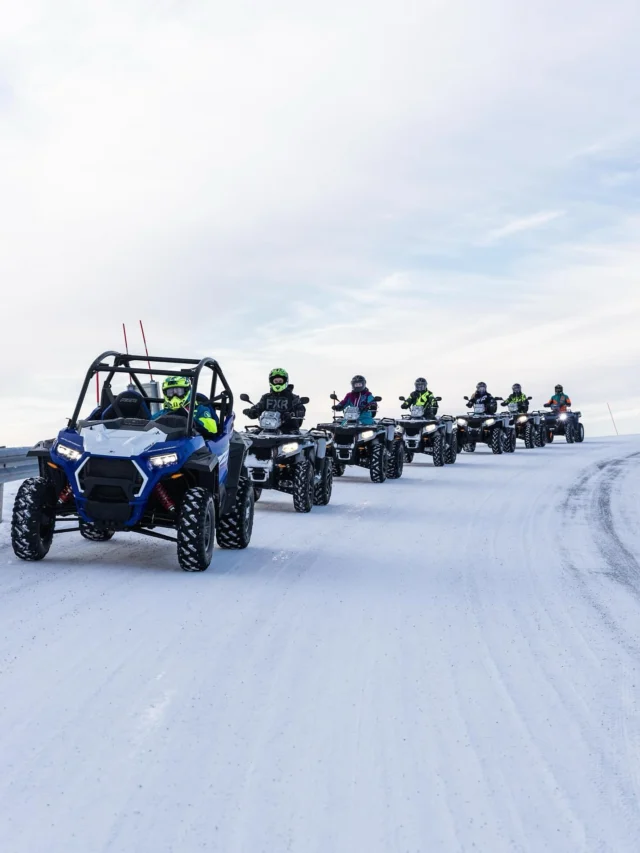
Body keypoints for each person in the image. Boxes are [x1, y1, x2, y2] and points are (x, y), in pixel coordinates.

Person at [243, 368, 306, 432]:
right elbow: (259, 407)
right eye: (275, 381)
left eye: (280, 381)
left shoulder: (293, 398)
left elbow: (301, 410)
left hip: (289, 431)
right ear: (271, 382)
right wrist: (252, 412)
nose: (278, 383)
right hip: (267, 431)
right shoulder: (266, 397)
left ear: (285, 381)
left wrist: (291, 414)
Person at [153, 375, 218, 436]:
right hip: (168, 445)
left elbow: (212, 430)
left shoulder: (200, 410)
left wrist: (190, 420)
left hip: (193, 445)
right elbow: (147, 429)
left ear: (187, 391)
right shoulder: (160, 414)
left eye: (179, 391)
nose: (174, 397)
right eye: (170, 392)